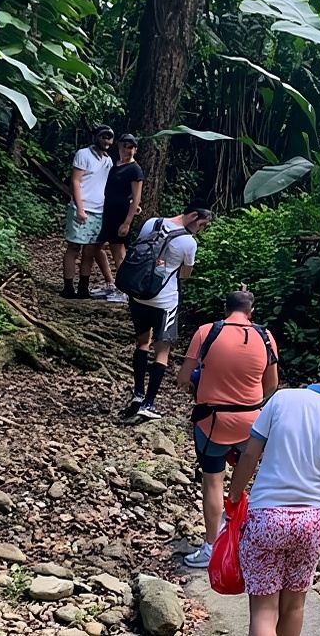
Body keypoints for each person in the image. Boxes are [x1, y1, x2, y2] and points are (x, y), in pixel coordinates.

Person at [227, 351, 320, 636]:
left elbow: (250, 453)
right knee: (295, 606)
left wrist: (234, 496)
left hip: (267, 516)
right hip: (311, 522)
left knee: (264, 610)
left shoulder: (282, 399)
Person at [177, 288, 280, 568]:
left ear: (226, 308)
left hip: (213, 422)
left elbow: (184, 377)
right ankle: (246, 542)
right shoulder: (265, 336)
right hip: (252, 425)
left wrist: (200, 386)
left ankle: (212, 547)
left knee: (212, 482)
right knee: (246, 481)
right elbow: (271, 385)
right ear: (251, 311)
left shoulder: (206, 332)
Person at [121, 205, 214, 423]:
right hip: (164, 300)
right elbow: (185, 273)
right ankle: (148, 403)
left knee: (142, 343)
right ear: (193, 216)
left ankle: (137, 394)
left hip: (138, 295)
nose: (202, 229)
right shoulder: (188, 243)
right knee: (162, 351)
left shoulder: (151, 223)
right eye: (202, 224)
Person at [61, 126, 114, 299]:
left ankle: (83, 286)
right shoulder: (83, 154)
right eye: (103, 137)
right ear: (96, 137)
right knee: (74, 247)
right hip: (82, 207)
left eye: (109, 138)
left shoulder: (108, 160)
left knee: (91, 250)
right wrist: (80, 208)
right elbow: (76, 181)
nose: (106, 141)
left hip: (99, 209)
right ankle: (68, 286)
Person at [93, 133, 144, 303]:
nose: (127, 150)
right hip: (106, 213)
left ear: (135, 150)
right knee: (95, 247)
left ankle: (124, 291)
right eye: (124, 146)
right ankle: (110, 283)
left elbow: (136, 198)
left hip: (121, 215)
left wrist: (127, 222)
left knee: (119, 253)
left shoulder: (134, 169)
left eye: (131, 147)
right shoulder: (113, 165)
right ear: (119, 147)